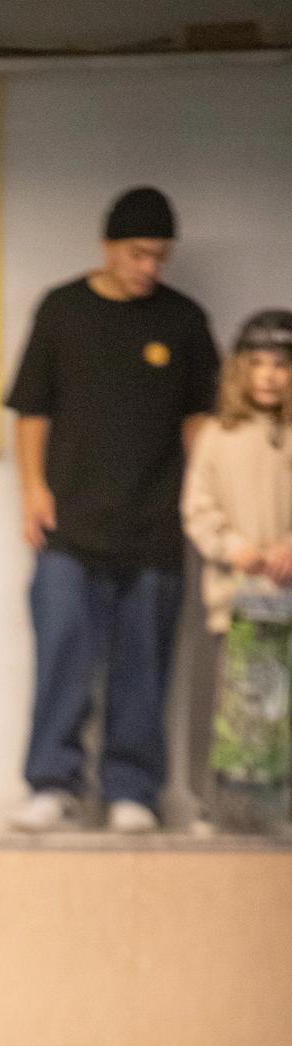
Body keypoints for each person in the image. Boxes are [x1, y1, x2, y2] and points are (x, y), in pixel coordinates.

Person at [6, 187, 219, 834]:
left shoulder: (183, 320)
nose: (147, 267)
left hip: (155, 526)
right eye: (136, 253)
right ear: (108, 245)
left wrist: (205, 502)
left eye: (159, 256)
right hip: (68, 524)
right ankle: (53, 783)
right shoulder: (63, 309)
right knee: (63, 657)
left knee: (143, 667)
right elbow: (31, 409)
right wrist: (33, 489)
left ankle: (133, 790)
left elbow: (202, 421)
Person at [181, 310, 292, 829]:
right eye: (259, 363)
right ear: (240, 370)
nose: (269, 376)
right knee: (227, 706)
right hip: (234, 602)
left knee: (280, 708)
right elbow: (198, 507)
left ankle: (280, 811)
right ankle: (216, 808)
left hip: (286, 601)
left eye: (282, 365)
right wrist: (234, 546)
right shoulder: (218, 434)